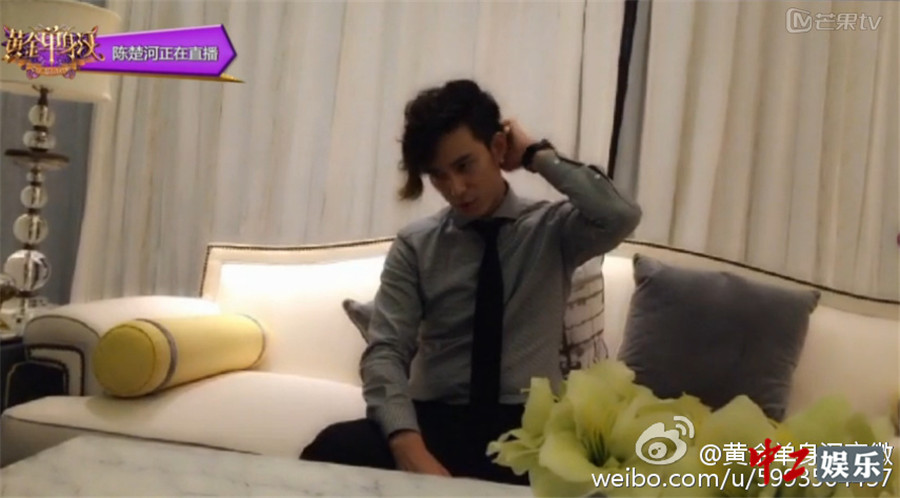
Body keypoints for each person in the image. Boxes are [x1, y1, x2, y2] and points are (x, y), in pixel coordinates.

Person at [300, 79, 642, 485]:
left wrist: (535, 155)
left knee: (614, 479)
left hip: (528, 424)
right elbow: (386, 351)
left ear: (497, 148)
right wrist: (409, 447)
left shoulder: (552, 230)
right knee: (331, 448)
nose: (455, 189)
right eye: (438, 176)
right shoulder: (417, 245)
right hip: (437, 419)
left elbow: (619, 215)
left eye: (464, 166)